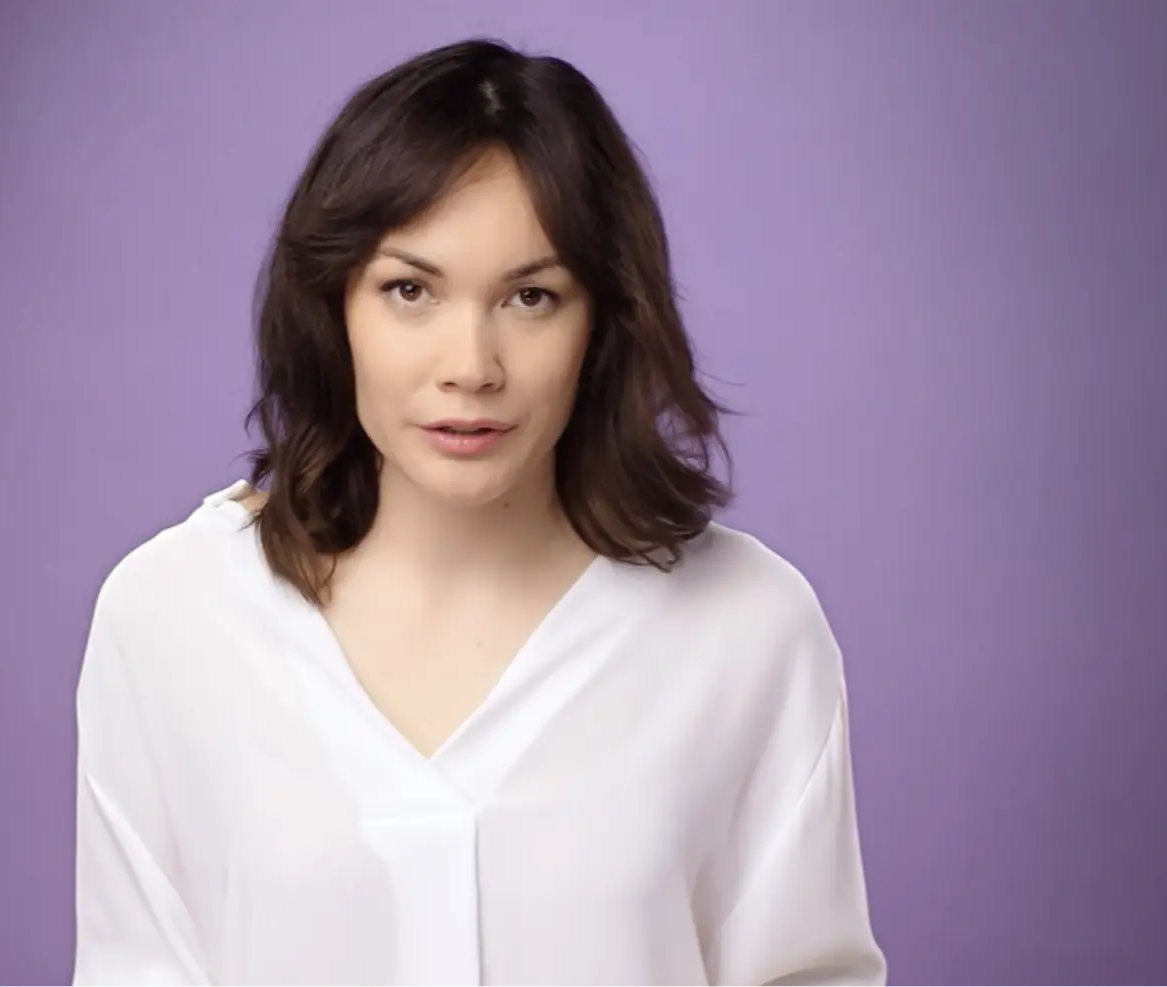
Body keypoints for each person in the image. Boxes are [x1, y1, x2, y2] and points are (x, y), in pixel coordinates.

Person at [71, 37, 886, 987]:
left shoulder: (749, 629)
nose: (471, 364)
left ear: (604, 322)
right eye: (409, 290)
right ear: (333, 307)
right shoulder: (171, 614)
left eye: (531, 296)